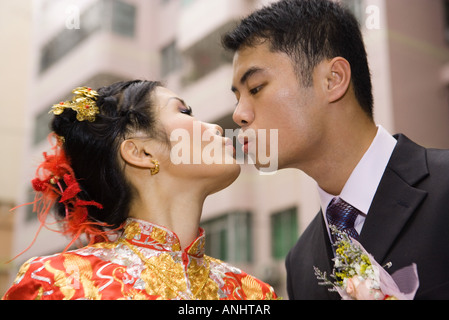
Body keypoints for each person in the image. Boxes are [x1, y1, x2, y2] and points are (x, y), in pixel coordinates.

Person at [222, 0, 449, 299]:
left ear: (333, 80)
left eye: (255, 89)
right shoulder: (301, 263)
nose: (239, 115)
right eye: (237, 97)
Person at [2, 81, 277, 300]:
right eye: (183, 111)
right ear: (141, 152)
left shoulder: (252, 293)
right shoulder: (59, 283)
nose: (216, 127)